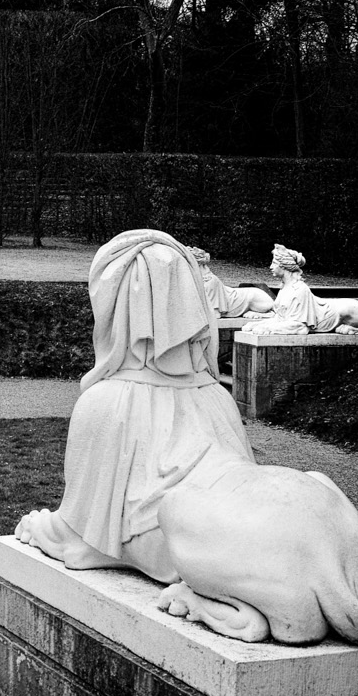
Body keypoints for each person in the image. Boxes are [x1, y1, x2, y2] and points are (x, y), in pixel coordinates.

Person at [14, 228, 254, 583]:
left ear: (117, 306)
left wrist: (42, 527)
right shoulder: (218, 396)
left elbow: (81, 532)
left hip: (175, 540)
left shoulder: (104, 402)